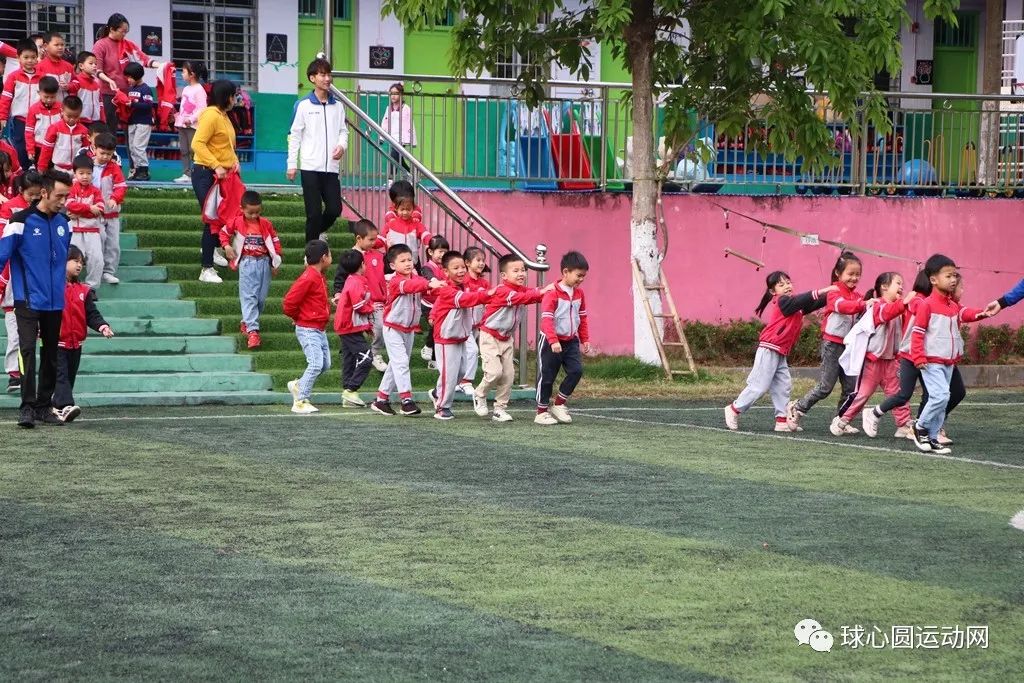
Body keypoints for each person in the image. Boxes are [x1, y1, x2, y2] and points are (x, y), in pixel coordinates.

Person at [0, 170, 74, 428]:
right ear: (44, 193)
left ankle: (44, 406)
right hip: (27, 299)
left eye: (67, 196)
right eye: (59, 196)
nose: (63, 202)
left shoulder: (65, 223)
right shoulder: (19, 221)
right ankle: (27, 407)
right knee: (27, 351)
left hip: (56, 301)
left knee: (52, 354)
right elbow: (1, 257)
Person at [724, 272, 834, 432]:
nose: (787, 286)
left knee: (783, 386)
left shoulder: (795, 306)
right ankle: (734, 409)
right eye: (781, 284)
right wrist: (822, 290)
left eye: (789, 282)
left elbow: (813, 303)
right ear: (773, 292)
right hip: (769, 348)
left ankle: (781, 421)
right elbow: (804, 299)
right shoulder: (783, 301)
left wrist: (834, 292)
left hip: (780, 352)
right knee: (759, 386)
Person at [908, 255, 989, 454]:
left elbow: (965, 314)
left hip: (948, 362)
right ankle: (920, 427)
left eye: (954, 275)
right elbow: (917, 333)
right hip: (930, 361)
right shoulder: (926, 305)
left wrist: (982, 313)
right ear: (933, 280)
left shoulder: (953, 306)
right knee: (940, 396)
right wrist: (918, 357)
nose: (953, 279)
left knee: (944, 399)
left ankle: (934, 437)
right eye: (948, 276)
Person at [786, 251, 866, 431]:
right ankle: (797, 407)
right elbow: (842, 307)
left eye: (857, 274)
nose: (854, 278)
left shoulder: (859, 296)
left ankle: (841, 420)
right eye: (850, 274)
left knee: (851, 388)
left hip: (849, 347)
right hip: (832, 345)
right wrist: (862, 305)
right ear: (838, 273)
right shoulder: (834, 292)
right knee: (825, 386)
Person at [831, 272, 914, 437]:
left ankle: (904, 425)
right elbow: (887, 313)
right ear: (884, 287)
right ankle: (841, 419)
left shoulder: (898, 308)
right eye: (897, 283)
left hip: (891, 361)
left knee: (897, 393)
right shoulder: (879, 306)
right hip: (872, 361)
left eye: (901, 284)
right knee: (862, 394)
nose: (901, 287)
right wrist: (904, 303)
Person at [473, 254, 551, 422]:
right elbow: (521, 298)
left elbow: (532, 295)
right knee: (494, 372)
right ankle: (479, 394)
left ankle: (499, 409)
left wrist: (552, 290)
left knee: (508, 375)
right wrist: (541, 291)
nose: (521, 274)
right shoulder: (503, 290)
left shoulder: (521, 290)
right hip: (489, 336)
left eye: (523, 270)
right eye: (515, 271)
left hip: (506, 338)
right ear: (504, 276)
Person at [371, 244, 443, 416]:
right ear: (393, 265)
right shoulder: (396, 281)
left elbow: (420, 285)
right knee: (401, 363)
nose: (408, 263)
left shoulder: (416, 277)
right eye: (402, 261)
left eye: (410, 259)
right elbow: (411, 286)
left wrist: (436, 285)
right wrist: (431, 283)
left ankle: (381, 399)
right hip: (393, 328)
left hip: (408, 329)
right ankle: (406, 400)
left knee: (397, 364)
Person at [287, 58, 348, 243]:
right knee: (313, 213)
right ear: (312, 78)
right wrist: (292, 164)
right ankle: (311, 250)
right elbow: (294, 135)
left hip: (331, 167)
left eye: (329, 74)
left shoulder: (338, 106)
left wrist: (342, 146)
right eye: (323, 74)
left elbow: (343, 131)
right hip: (310, 167)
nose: (327, 78)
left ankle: (313, 235)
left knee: (334, 209)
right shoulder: (303, 105)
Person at [426, 250, 492, 420]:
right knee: (449, 374)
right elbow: (465, 299)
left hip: (461, 335)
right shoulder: (448, 289)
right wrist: (488, 294)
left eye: (462, 267)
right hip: (446, 338)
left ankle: (436, 393)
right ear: (446, 272)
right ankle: (442, 407)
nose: (461, 271)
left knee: (461, 372)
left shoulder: (464, 285)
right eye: (456, 268)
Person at [53, 245, 114, 423]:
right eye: (75, 261)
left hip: (76, 344)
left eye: (82, 262)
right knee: (62, 376)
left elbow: (91, 314)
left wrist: (103, 326)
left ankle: (57, 406)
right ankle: (65, 405)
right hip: (58, 343)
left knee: (69, 377)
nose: (79, 265)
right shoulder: (54, 287)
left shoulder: (84, 291)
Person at [191, 79, 240, 284]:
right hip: (206, 174)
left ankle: (211, 252)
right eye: (233, 95)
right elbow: (197, 144)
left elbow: (226, 145)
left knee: (221, 217)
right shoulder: (211, 115)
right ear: (226, 97)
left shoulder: (224, 116)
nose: (235, 99)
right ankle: (206, 268)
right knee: (213, 218)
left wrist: (234, 161)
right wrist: (216, 165)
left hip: (223, 176)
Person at [220, 190, 282, 349]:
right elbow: (223, 233)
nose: (254, 216)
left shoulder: (266, 224)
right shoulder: (236, 222)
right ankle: (253, 331)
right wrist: (226, 246)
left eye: (257, 212)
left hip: (264, 263)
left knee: (260, 299)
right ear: (242, 209)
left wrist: (275, 261)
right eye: (250, 213)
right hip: (247, 263)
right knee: (249, 297)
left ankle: (246, 322)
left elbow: (275, 241)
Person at [535, 251, 591, 426]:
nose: (581, 279)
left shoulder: (579, 294)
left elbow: (582, 317)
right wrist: (553, 340)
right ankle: (541, 412)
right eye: (578, 275)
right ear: (565, 272)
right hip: (550, 342)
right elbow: (546, 319)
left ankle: (559, 404)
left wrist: (585, 339)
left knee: (576, 371)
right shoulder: (552, 293)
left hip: (570, 341)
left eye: (584, 276)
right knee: (547, 377)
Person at [0, 171, 43, 393]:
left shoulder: (43, 209)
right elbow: (4, 238)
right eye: (30, 195)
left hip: (36, 273)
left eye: (38, 195)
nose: (33, 199)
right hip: (13, 270)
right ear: (20, 191)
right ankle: (13, 374)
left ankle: (29, 371)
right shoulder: (10, 208)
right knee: (13, 326)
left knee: (34, 329)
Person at [283, 240, 332, 414]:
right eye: (330, 254)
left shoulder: (317, 276)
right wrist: (297, 317)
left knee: (325, 364)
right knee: (316, 364)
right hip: (308, 328)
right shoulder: (309, 276)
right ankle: (301, 400)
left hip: (318, 328)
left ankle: (298, 385)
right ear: (324, 257)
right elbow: (289, 302)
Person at [333, 219, 387, 372]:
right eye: (370, 239)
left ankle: (375, 354)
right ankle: (353, 354)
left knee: (380, 328)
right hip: (356, 303)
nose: (374, 242)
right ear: (358, 238)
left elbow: (382, 275)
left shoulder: (377, 255)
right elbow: (340, 277)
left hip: (375, 302)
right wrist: (338, 294)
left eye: (375, 238)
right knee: (354, 330)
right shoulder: (351, 256)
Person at [92, 13, 160, 128]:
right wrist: (109, 80)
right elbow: (97, 70)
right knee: (110, 127)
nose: (124, 34)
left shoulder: (128, 45)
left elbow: (144, 59)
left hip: (130, 92)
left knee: (131, 127)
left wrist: (161, 65)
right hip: (109, 94)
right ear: (112, 29)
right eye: (122, 31)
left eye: (126, 32)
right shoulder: (100, 45)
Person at [333, 249, 376, 407]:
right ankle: (351, 390)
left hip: (348, 326)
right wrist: (372, 309)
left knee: (349, 359)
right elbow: (359, 306)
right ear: (362, 265)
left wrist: (367, 325)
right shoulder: (355, 281)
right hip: (349, 326)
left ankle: (348, 393)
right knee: (366, 357)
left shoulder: (353, 280)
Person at [65, 156, 106, 291]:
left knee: (97, 259)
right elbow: (70, 205)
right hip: (75, 231)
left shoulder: (95, 191)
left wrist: (79, 211)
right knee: (73, 261)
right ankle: (73, 286)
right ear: (75, 173)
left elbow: (100, 209)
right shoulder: (72, 189)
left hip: (92, 231)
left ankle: (91, 288)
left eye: (88, 173)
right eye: (81, 173)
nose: (85, 176)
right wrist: (89, 208)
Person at [0, 39, 42, 169]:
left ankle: (37, 172)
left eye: (33, 57)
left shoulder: (42, 77)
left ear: (37, 58)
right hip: (20, 119)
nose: (30, 60)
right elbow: (6, 98)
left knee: (37, 146)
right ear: (18, 57)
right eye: (26, 57)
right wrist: (2, 117)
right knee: (20, 147)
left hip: (38, 119)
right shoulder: (13, 76)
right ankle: (22, 173)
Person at [91, 133, 126, 285]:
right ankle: (96, 271)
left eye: (109, 154)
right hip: (94, 212)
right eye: (102, 153)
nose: (105, 157)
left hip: (111, 212)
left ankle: (109, 271)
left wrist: (114, 198)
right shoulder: (88, 166)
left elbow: (121, 187)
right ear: (94, 149)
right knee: (99, 240)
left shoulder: (114, 168)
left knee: (113, 244)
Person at [458, 246, 489, 395]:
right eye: (478, 260)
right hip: (463, 324)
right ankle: (466, 381)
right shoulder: (463, 281)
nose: (481, 263)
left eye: (483, 260)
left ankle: (459, 382)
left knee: (467, 353)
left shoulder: (484, 283)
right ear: (467, 263)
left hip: (476, 325)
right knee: (472, 350)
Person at [172, 60, 208, 184]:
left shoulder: (199, 90)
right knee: (184, 150)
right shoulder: (186, 88)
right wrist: (178, 116)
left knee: (195, 150)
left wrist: (191, 119)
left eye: (183, 71)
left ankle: (199, 173)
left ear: (192, 74)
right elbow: (184, 106)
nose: (181, 74)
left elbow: (202, 109)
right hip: (182, 124)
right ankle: (186, 173)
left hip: (193, 126)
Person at [37, 95, 86, 172]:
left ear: (80, 113)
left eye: (76, 116)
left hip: (77, 169)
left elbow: (87, 149)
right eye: (69, 116)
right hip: (58, 168)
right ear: (62, 111)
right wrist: (42, 166)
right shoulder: (54, 128)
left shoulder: (84, 131)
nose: (72, 119)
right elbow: (46, 149)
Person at [419, 235, 448, 366]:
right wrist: (435, 281)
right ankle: (428, 345)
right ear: (430, 252)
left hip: (441, 304)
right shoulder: (427, 267)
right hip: (428, 304)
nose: (443, 255)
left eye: (445, 252)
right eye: (440, 251)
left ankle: (434, 360)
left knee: (440, 330)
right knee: (435, 325)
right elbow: (429, 277)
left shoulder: (445, 268)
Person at [66, 51, 116, 125]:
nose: (94, 66)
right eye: (91, 63)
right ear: (81, 66)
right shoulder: (77, 80)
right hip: (80, 121)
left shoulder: (96, 85)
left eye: (95, 64)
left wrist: (102, 119)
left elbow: (100, 103)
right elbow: (71, 97)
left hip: (96, 121)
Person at [124, 62, 154, 181]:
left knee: (138, 146)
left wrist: (133, 104)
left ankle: (144, 170)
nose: (128, 80)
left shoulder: (145, 89)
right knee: (132, 147)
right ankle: (137, 170)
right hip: (132, 121)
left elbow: (148, 106)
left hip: (143, 122)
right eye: (127, 77)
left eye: (130, 77)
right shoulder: (130, 89)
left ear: (138, 76)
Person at [380, 82, 416, 177]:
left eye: (396, 93)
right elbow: (385, 123)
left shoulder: (406, 108)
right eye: (392, 93)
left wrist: (411, 139)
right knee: (399, 159)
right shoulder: (389, 108)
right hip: (392, 137)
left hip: (402, 138)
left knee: (393, 156)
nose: (393, 96)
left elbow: (410, 124)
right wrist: (381, 137)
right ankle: (410, 173)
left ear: (401, 94)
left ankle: (390, 178)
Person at [24, 76, 61, 165]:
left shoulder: (61, 108)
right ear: (39, 93)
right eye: (46, 96)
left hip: (57, 146)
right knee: (40, 171)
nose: (49, 100)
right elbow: (29, 131)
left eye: (52, 97)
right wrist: (30, 149)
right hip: (39, 146)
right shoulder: (34, 109)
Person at [36, 32, 73, 97]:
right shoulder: (39, 66)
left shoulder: (69, 66)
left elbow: (76, 83)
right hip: (47, 106)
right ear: (45, 46)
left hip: (65, 106)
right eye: (56, 45)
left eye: (62, 45)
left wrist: (68, 86)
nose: (60, 47)